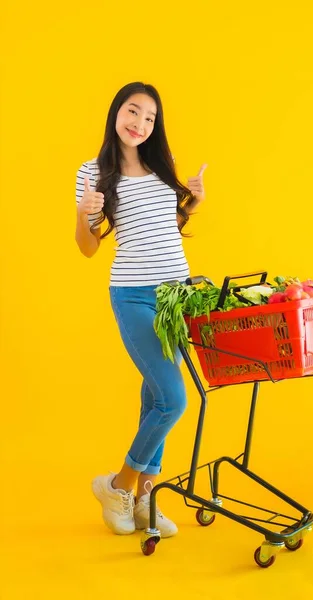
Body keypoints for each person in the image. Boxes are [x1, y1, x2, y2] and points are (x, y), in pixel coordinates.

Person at [75, 81, 207, 538]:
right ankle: (118, 485)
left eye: (150, 118)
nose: (140, 123)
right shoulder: (93, 173)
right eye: (133, 112)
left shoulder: (159, 166)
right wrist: (82, 214)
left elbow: (163, 228)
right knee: (174, 399)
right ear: (116, 112)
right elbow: (88, 248)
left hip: (176, 295)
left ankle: (145, 496)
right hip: (132, 294)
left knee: (155, 396)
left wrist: (193, 201)